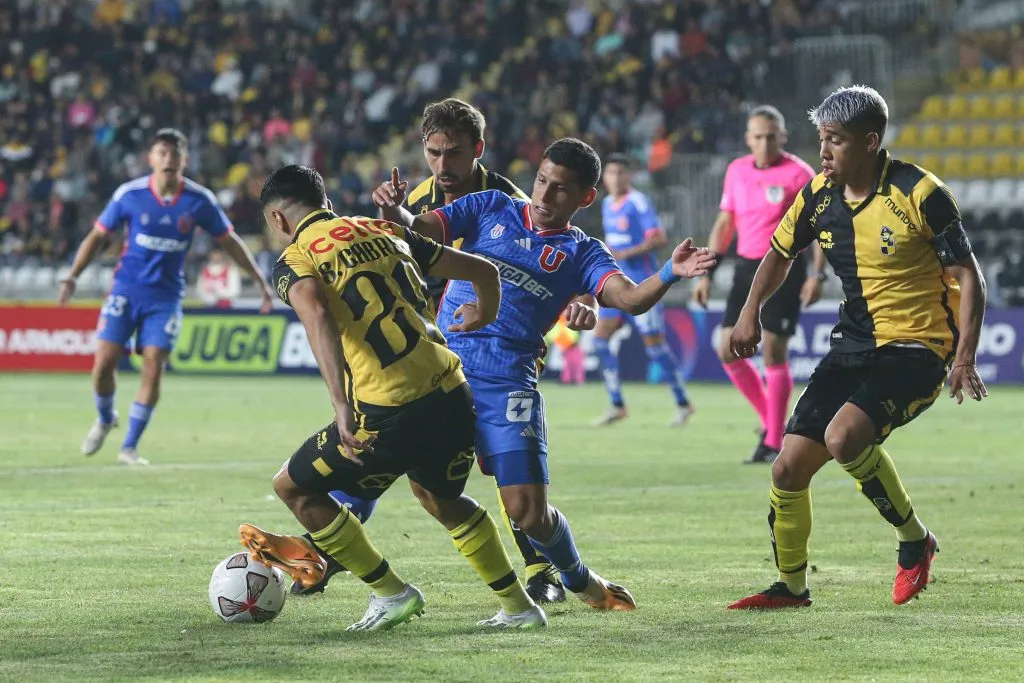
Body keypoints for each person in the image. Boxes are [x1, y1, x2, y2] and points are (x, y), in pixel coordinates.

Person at [373, 138, 716, 611]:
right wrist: (397, 212)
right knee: (399, 468)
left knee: (528, 514)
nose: (544, 196)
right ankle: (352, 564)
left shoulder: (582, 253)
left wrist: (670, 272)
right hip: (442, 373)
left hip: (508, 382)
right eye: (541, 181)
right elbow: (421, 231)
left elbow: (631, 299)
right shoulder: (492, 205)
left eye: (560, 190)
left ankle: (580, 580)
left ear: (584, 198)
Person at [239, 164, 546, 631]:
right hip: (452, 392)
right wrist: (484, 314)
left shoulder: (299, 255)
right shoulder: (385, 229)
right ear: (326, 201)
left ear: (279, 219)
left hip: (388, 409)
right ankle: (520, 608)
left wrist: (341, 404)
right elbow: (483, 269)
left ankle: (391, 593)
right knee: (439, 497)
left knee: (293, 487)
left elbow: (316, 312)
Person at [303, 98, 575, 605]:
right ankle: (328, 547)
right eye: (433, 153)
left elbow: (561, 260)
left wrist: (587, 304)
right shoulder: (421, 198)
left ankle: (542, 567)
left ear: (478, 149)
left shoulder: (512, 200)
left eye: (453, 154)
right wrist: (389, 215)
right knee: (392, 436)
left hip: (501, 350)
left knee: (499, 458)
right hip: (434, 340)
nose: (442, 166)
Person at [727, 86, 987, 609]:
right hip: (853, 346)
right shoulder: (817, 195)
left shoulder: (919, 192)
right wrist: (748, 311)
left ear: (870, 142)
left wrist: (963, 358)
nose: (823, 151)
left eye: (836, 140)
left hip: (918, 347)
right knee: (786, 469)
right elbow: (779, 254)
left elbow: (967, 273)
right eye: (821, 138)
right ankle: (792, 587)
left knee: (844, 437)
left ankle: (915, 539)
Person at [58, 129, 273, 465]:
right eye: (162, 152)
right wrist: (72, 276)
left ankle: (129, 446)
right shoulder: (129, 195)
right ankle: (105, 417)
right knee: (103, 366)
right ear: (151, 158)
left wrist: (260, 281)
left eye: (176, 154)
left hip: (166, 297)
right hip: (126, 291)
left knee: (154, 365)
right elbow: (97, 236)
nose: (169, 159)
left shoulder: (200, 201)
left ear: (185, 160)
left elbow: (229, 242)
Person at [693, 106, 822, 464]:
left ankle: (771, 443)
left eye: (771, 136)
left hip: (785, 266)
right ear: (748, 139)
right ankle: (774, 424)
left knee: (772, 352)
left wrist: (817, 274)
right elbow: (725, 223)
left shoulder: (799, 174)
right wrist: (705, 271)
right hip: (746, 267)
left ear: (782, 136)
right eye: (758, 137)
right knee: (725, 348)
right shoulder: (736, 171)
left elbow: (817, 231)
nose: (765, 143)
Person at [592, 154, 694, 427]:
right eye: (610, 173)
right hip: (616, 287)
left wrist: (626, 252)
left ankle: (683, 402)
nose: (615, 178)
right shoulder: (606, 205)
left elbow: (658, 237)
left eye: (620, 173)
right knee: (599, 341)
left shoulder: (637, 202)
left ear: (628, 176)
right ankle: (617, 404)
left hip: (642, 287)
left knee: (655, 350)